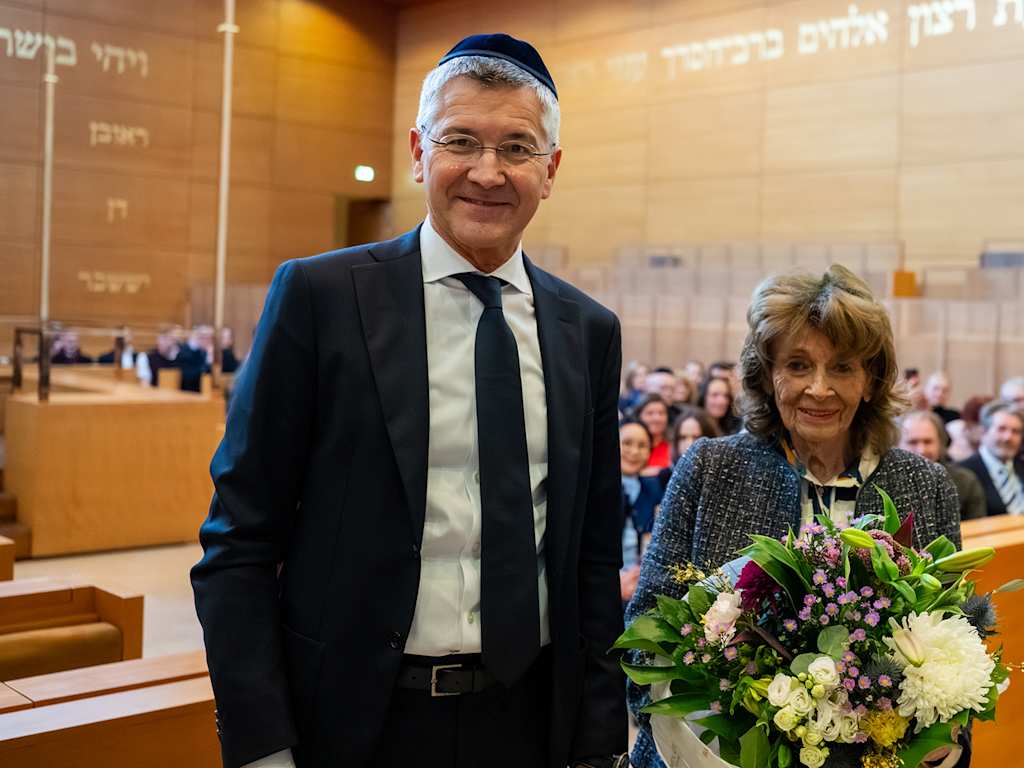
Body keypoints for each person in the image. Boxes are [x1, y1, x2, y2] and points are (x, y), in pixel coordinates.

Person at [191, 34, 627, 768]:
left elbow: (589, 555)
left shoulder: (588, 331)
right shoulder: (320, 298)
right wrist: (262, 741)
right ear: (419, 151)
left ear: (549, 171)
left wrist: (597, 736)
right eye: (461, 140)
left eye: (517, 147)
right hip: (356, 721)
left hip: (528, 722)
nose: (487, 172)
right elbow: (239, 538)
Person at [625, 265, 964, 768]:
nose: (820, 389)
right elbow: (648, 629)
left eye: (843, 367)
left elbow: (956, 647)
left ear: (871, 381)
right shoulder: (712, 468)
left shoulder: (926, 486)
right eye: (799, 365)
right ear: (767, 374)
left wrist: (941, 743)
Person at [899, 410, 986, 521]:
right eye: (912, 442)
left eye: (928, 441)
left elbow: (978, 527)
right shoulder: (886, 484)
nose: (921, 450)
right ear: (897, 445)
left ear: (940, 444)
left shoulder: (965, 481)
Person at [619, 419, 664, 603]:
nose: (634, 452)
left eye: (642, 446)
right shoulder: (596, 488)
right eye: (627, 443)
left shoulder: (653, 488)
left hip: (641, 582)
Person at [959, 400, 1024, 517]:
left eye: (1016, 431)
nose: (1008, 437)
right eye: (1001, 429)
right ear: (984, 432)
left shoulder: (1021, 466)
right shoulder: (962, 473)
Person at [635, 393, 672, 475]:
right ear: (639, 416)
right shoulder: (631, 446)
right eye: (650, 413)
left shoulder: (673, 446)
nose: (657, 418)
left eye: (661, 413)